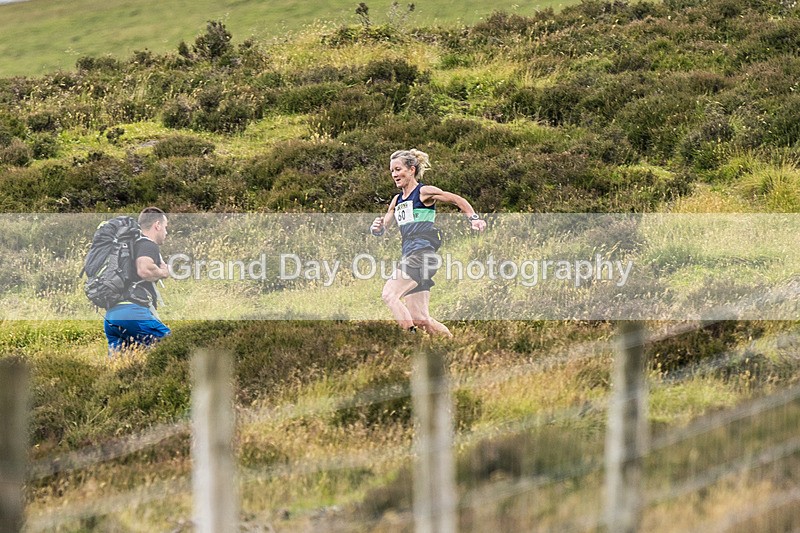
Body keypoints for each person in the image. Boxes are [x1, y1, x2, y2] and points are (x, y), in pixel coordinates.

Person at [371, 149, 486, 337]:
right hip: (412, 255)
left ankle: (411, 340)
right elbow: (383, 226)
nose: (394, 175)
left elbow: (456, 199)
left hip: (422, 254)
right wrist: (376, 228)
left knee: (389, 295)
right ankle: (452, 345)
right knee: (421, 319)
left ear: (411, 169)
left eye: (398, 169)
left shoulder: (423, 192)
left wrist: (473, 218)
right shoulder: (396, 201)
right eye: (392, 171)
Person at [104, 207, 171, 355]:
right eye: (165, 228)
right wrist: (163, 272)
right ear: (157, 225)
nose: (166, 232)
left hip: (111, 316)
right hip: (133, 313)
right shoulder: (148, 244)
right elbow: (144, 270)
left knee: (122, 366)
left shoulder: (129, 245)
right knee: (172, 344)